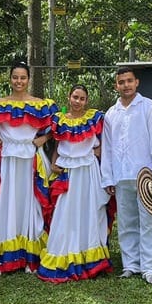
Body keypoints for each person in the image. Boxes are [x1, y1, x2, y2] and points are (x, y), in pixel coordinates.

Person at [0, 62, 58, 276]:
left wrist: (44, 138)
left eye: (23, 77)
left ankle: (31, 256)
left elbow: (57, 126)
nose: (19, 81)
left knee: (30, 205)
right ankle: (1, 257)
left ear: (28, 79)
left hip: (31, 159)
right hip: (5, 160)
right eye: (15, 77)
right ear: (9, 78)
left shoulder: (41, 105)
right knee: (5, 203)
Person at [101, 66, 152, 284]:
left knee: (149, 221)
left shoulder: (149, 107)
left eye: (129, 81)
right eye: (121, 82)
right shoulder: (112, 113)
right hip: (121, 175)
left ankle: (150, 268)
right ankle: (131, 264)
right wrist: (108, 177)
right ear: (116, 85)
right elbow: (108, 148)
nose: (125, 85)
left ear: (136, 82)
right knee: (127, 221)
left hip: (146, 175)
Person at [38, 84, 112, 282]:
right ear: (69, 98)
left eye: (82, 98)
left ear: (86, 101)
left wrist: (98, 153)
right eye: (75, 97)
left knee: (89, 212)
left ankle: (90, 257)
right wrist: (54, 163)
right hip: (68, 172)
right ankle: (65, 252)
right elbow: (58, 144)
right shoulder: (59, 120)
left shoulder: (95, 119)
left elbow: (104, 142)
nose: (77, 101)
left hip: (88, 171)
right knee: (65, 212)